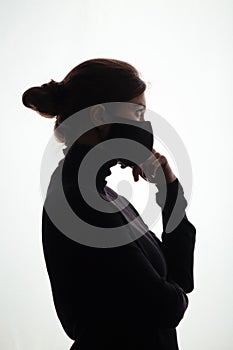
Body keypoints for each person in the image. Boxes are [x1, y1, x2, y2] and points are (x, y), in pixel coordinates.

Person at [22, 58, 196, 350]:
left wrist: (168, 190)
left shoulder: (110, 199)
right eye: (138, 113)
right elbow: (166, 308)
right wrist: (174, 295)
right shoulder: (75, 200)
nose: (145, 125)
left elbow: (180, 278)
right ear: (100, 116)